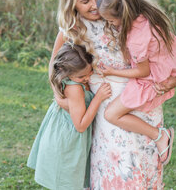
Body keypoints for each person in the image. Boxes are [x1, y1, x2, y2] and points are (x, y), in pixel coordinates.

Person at [50, 0, 176, 189]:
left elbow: (164, 51)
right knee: (117, 170)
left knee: (142, 168)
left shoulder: (123, 14)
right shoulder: (73, 29)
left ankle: (159, 139)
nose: (94, 5)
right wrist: (60, 97)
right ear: (72, 5)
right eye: (85, 1)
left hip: (143, 101)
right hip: (106, 108)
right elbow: (55, 67)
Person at [96, 0, 176, 166]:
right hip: (166, 66)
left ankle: (160, 136)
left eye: (112, 21)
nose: (110, 24)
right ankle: (159, 135)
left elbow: (143, 71)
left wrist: (113, 71)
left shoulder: (136, 38)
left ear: (124, 15)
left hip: (151, 78)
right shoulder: (147, 16)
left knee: (111, 114)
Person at [27, 43, 112, 190]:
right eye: (81, 76)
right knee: (65, 181)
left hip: (61, 131)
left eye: (90, 72)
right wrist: (98, 98)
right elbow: (80, 126)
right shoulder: (74, 89)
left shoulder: (73, 80)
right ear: (66, 73)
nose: (87, 78)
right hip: (67, 140)